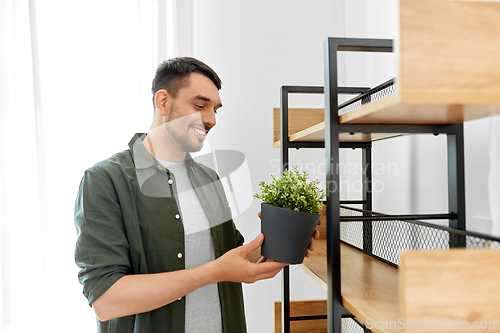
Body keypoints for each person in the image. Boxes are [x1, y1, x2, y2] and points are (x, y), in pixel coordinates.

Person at [74, 57, 319, 333]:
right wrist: (215, 272)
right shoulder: (105, 180)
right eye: (200, 106)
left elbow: (232, 258)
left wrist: (282, 240)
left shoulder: (208, 179)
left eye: (215, 109)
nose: (211, 120)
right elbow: (107, 301)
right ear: (163, 102)